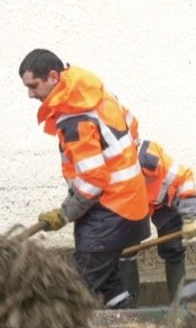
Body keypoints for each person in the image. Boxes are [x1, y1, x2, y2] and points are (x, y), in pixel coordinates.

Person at [19, 49, 150, 309]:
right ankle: (132, 324)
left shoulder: (75, 119)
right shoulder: (98, 95)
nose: (30, 94)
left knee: (78, 288)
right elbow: (132, 126)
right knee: (108, 282)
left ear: (54, 77)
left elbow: (92, 182)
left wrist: (65, 214)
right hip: (130, 203)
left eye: (34, 86)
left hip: (109, 214)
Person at [117, 139, 196, 303]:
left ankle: (178, 307)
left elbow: (185, 179)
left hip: (165, 203)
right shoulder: (117, 167)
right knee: (126, 252)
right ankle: (130, 309)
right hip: (135, 206)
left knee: (173, 249)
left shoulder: (153, 161)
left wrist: (191, 218)